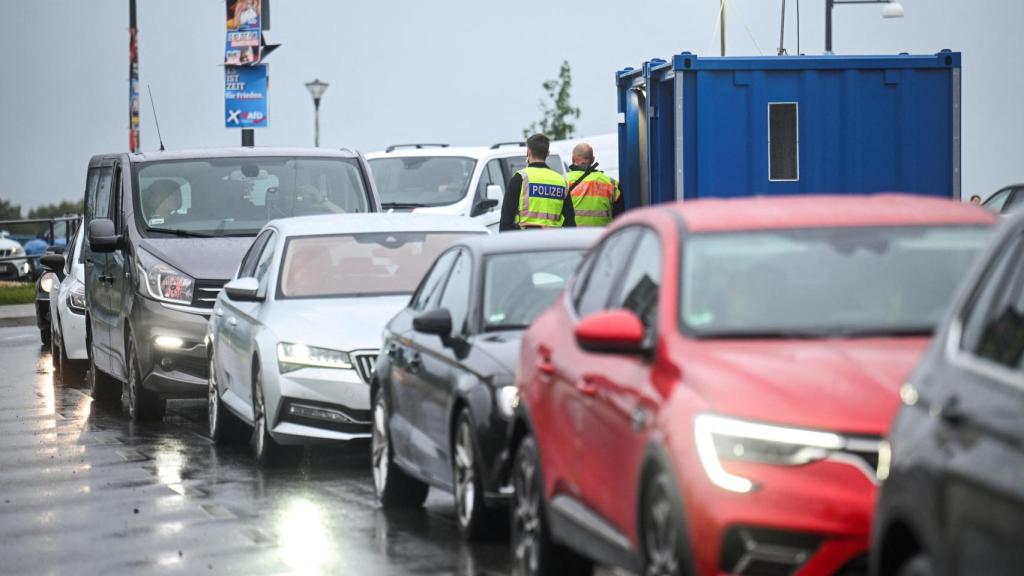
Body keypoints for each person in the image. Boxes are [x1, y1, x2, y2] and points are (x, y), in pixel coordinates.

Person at [499, 134, 575, 232]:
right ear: (547, 153)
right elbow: (570, 223)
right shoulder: (561, 181)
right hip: (554, 242)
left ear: (528, 151)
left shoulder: (520, 178)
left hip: (526, 241)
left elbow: (506, 221)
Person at [565, 143, 624, 226]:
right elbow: (619, 218)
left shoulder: (563, 181)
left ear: (573, 159)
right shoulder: (612, 183)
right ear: (593, 159)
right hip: (601, 236)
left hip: (574, 236)